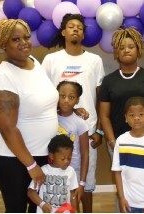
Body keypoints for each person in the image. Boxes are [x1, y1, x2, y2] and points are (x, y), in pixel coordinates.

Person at [0, 19, 58, 213]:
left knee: (37, 204)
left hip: (38, 151)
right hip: (11, 155)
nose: (24, 42)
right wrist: (31, 165)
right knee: (17, 207)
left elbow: (42, 100)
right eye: (16, 39)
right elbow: (7, 128)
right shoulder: (4, 77)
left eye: (26, 37)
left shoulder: (33, 62)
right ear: (4, 45)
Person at [42, 13, 107, 212]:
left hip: (86, 131)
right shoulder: (51, 59)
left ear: (84, 34)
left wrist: (100, 131)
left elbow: (102, 99)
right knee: (58, 179)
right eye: (71, 26)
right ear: (63, 32)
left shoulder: (94, 60)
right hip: (57, 130)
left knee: (84, 183)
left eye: (79, 26)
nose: (76, 29)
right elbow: (43, 96)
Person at [99, 27, 144, 154]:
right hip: (119, 143)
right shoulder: (108, 81)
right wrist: (112, 142)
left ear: (138, 49)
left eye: (131, 46)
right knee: (120, 175)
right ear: (116, 53)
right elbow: (104, 116)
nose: (126, 50)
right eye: (121, 48)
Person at [55, 80, 89, 210]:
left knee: (73, 206)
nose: (66, 101)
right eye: (62, 96)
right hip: (52, 170)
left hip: (73, 171)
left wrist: (82, 182)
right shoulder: (51, 117)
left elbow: (85, 154)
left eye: (71, 97)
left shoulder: (80, 123)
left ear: (77, 100)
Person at [27, 135, 79, 213]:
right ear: (51, 156)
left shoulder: (71, 171)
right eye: (63, 159)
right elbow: (31, 192)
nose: (67, 161)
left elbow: (73, 195)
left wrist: (75, 211)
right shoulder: (43, 171)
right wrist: (42, 205)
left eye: (69, 158)